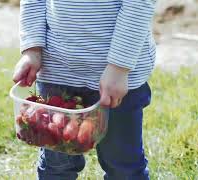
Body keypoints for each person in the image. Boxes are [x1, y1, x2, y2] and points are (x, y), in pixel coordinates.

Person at [13, 0, 156, 179]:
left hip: (116, 79)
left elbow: (138, 4)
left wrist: (118, 67)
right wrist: (32, 50)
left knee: (122, 165)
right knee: (57, 165)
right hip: (57, 72)